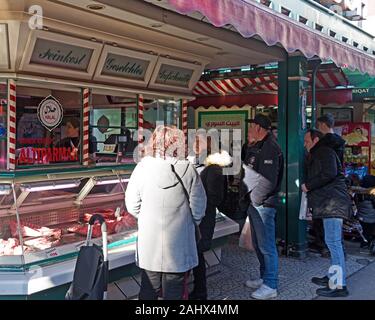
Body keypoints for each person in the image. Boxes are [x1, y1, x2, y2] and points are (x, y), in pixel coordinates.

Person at [125, 125, 207, 300]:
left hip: (150, 244)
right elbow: (199, 208)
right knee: (175, 291)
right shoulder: (189, 170)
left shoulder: (141, 168)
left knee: (148, 289)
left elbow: (132, 205)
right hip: (179, 244)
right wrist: (187, 223)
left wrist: (148, 218)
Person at [303, 129, 351, 298]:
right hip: (329, 203)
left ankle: (339, 285)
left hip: (333, 204)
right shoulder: (323, 151)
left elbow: (329, 173)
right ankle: (332, 276)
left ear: (316, 139)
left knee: (334, 243)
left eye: (307, 140)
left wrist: (308, 185)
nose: (305, 144)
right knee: (332, 242)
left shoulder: (324, 151)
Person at [241, 114, 284, 300]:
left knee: (266, 246)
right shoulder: (257, 146)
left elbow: (268, 181)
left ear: (259, 128)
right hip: (255, 203)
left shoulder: (270, 148)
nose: (249, 130)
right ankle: (264, 276)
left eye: (252, 127)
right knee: (259, 244)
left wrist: (255, 199)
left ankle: (271, 284)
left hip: (263, 205)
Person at [188, 134, 232, 300]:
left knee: (198, 254)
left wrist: (197, 198)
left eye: (198, 142)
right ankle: (196, 290)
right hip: (194, 217)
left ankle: (200, 292)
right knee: (196, 254)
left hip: (204, 218)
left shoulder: (213, 168)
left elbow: (216, 197)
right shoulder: (196, 164)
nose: (194, 145)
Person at [312, 113, 347, 257]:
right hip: (337, 186)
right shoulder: (340, 141)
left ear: (322, 125)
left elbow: (326, 170)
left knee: (323, 219)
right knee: (335, 226)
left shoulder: (324, 143)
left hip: (325, 187)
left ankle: (324, 246)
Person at [354, 175, 375, 255]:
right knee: (371, 232)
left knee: (364, 232)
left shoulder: (358, 193)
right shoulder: (373, 194)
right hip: (372, 218)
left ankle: (364, 246)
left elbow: (356, 204)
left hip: (361, 217)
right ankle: (371, 245)